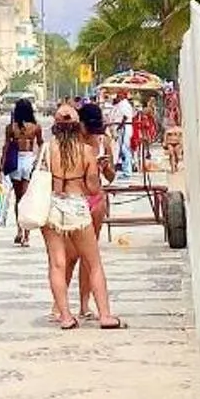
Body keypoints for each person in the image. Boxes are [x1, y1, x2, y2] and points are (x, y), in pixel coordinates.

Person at [41, 107, 120, 329]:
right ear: (78, 125)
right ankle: (105, 315)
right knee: (93, 263)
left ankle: (65, 317)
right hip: (77, 205)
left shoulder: (47, 149)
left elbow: (40, 179)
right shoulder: (86, 152)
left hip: (53, 205)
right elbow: (94, 189)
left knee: (57, 263)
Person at [0, 97, 44, 248]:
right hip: (29, 160)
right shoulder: (35, 127)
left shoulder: (11, 128)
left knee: (18, 199)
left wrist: (0, 169)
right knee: (26, 198)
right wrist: (40, 159)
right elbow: (42, 144)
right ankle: (27, 235)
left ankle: (19, 230)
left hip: (16, 161)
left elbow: (5, 148)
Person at [77, 100, 112, 238]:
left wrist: (105, 168)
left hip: (96, 197)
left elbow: (111, 177)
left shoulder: (104, 141)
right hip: (75, 198)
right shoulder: (73, 143)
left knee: (92, 242)